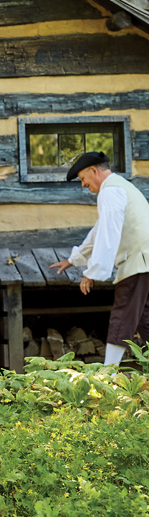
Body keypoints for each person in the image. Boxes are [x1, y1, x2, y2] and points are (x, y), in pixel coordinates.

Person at [51, 151, 149, 366]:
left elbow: (108, 233)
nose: (83, 185)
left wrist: (92, 272)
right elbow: (99, 231)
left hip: (138, 262)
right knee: (145, 320)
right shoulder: (120, 187)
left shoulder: (110, 191)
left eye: (83, 179)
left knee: (122, 315)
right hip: (145, 262)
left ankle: (108, 375)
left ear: (94, 171)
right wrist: (74, 259)